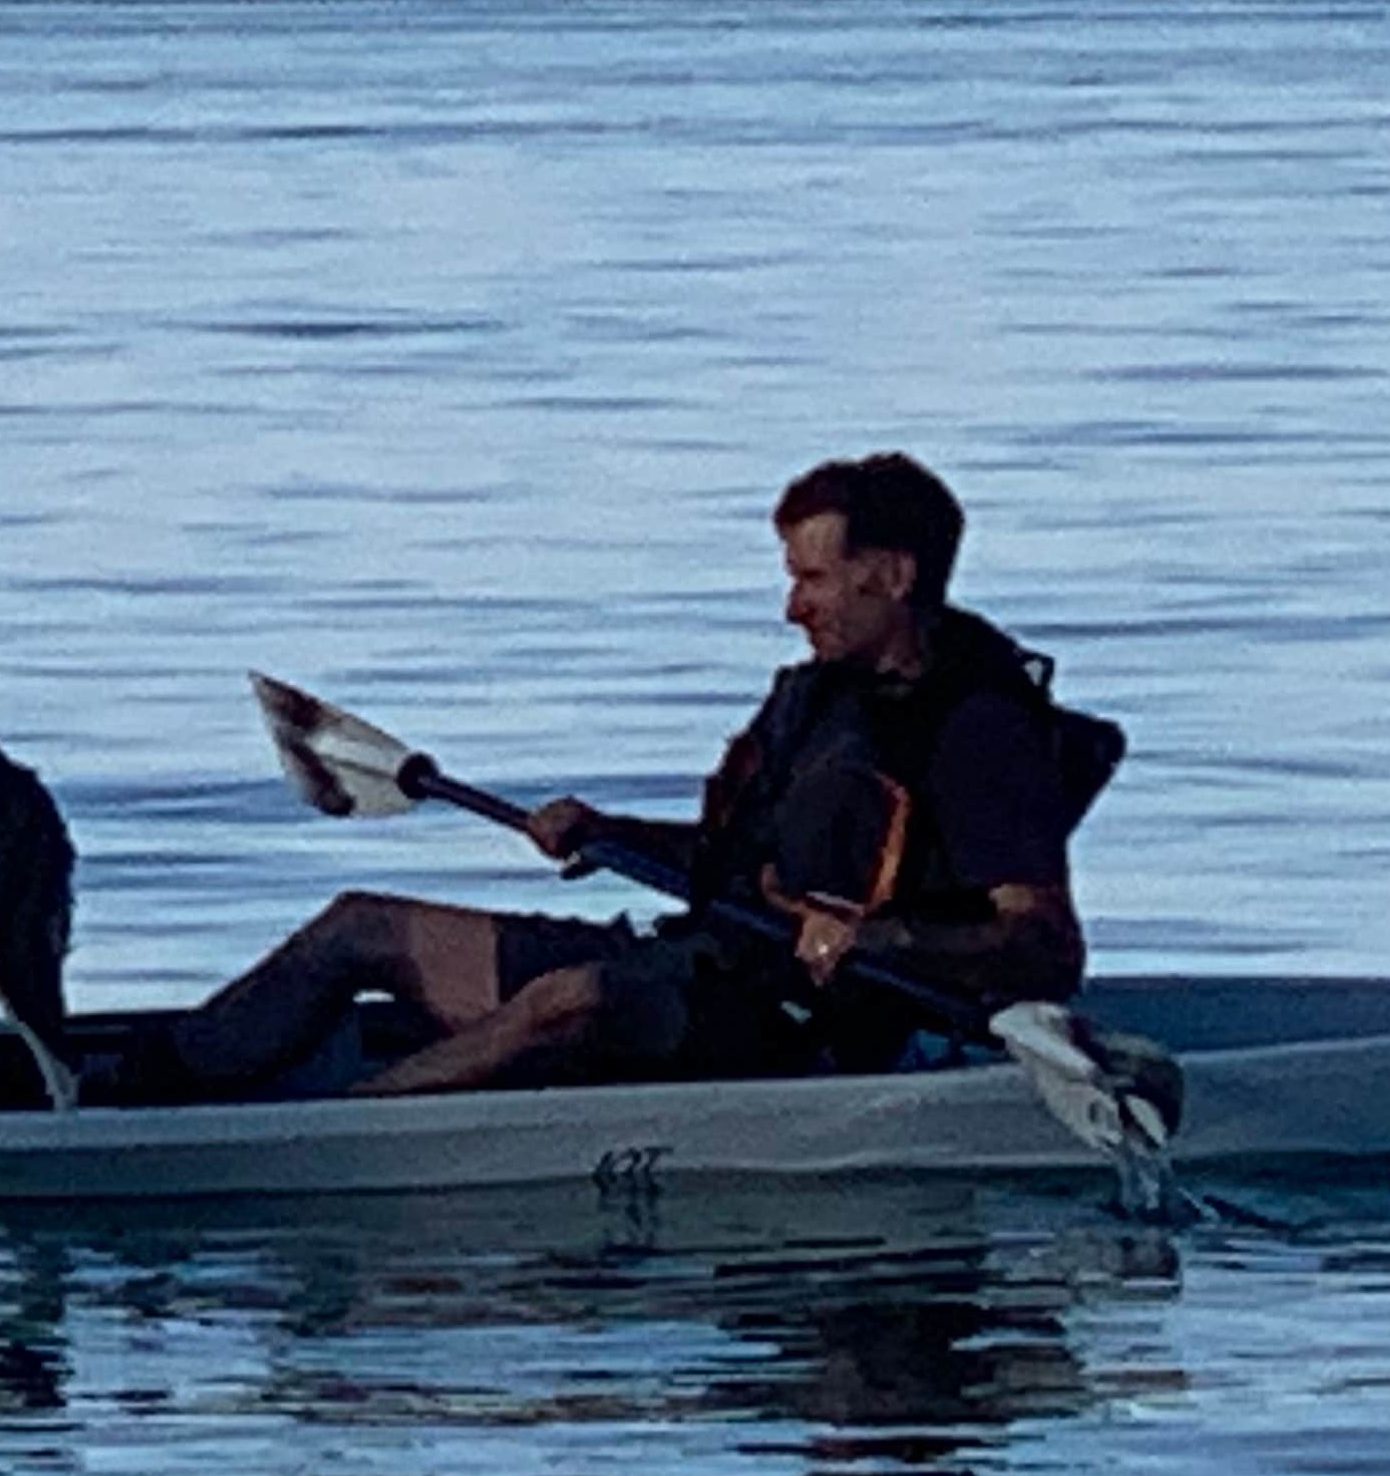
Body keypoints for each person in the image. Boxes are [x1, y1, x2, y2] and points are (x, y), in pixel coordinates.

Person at [155, 452, 1112, 1100]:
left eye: (813, 579)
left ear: (892, 576)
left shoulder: (979, 731)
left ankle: (342, 1137)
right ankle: (140, 1090)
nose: (792, 607)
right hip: (696, 966)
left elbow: (1045, 948)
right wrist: (607, 831)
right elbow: (732, 863)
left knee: (575, 1000)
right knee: (360, 927)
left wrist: (875, 937)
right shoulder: (817, 698)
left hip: (807, 1028)